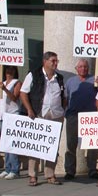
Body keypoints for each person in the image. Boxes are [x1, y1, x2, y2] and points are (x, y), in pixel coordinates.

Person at [20, 51, 66, 186]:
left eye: (56, 61)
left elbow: (64, 96)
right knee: (36, 146)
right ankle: (32, 175)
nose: (55, 63)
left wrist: (62, 110)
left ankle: (50, 174)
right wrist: (29, 109)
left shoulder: (59, 77)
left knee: (52, 146)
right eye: (53, 61)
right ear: (45, 61)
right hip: (39, 114)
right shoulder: (33, 75)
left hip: (56, 115)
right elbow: (23, 93)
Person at [63, 58, 98, 180]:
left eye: (85, 67)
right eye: (81, 67)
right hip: (74, 116)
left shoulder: (94, 80)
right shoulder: (70, 81)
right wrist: (66, 113)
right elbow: (65, 98)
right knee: (71, 144)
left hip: (90, 116)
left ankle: (92, 169)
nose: (83, 69)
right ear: (76, 69)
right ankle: (70, 170)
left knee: (92, 145)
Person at [0, 66, 22, 180]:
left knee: (12, 143)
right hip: (3, 116)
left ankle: (15, 169)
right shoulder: (3, 82)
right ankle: (7, 168)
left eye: (11, 70)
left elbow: (14, 98)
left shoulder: (17, 83)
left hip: (13, 115)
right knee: (5, 144)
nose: (8, 72)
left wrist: (5, 89)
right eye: (7, 69)